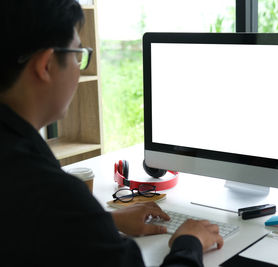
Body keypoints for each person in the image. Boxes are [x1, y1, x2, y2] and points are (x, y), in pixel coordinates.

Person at [0, 1, 223, 266]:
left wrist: (102, 223)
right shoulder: (53, 194)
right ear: (46, 65)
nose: (79, 67)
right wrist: (189, 242)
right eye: (77, 54)